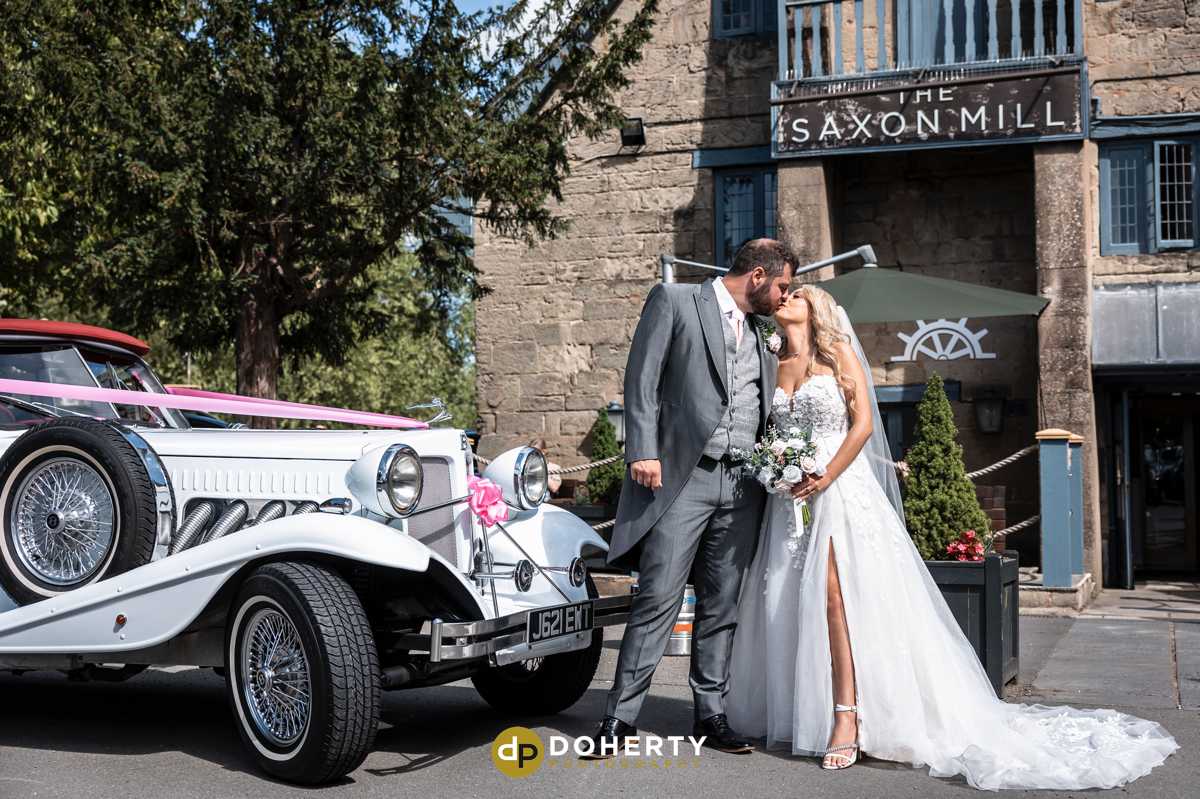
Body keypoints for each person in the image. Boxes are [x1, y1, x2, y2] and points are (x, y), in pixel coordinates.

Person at [725, 285, 1179, 789]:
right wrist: (778, 471)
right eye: (783, 294)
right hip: (791, 498)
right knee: (792, 596)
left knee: (839, 600)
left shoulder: (839, 355)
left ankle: (847, 715)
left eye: (797, 294)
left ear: (817, 310)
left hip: (840, 489)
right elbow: (768, 433)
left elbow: (862, 426)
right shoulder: (772, 362)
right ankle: (798, 709)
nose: (786, 297)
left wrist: (826, 474)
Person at [582, 239, 797, 758]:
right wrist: (643, 449)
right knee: (658, 598)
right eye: (783, 285)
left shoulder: (764, 333)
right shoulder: (676, 301)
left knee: (723, 604)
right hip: (683, 478)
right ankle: (619, 717)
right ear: (759, 275)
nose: (784, 296)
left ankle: (711, 714)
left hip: (744, 484)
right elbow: (643, 378)